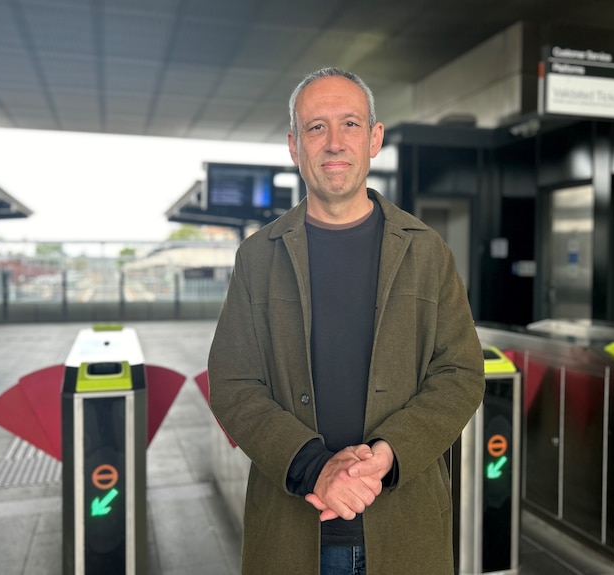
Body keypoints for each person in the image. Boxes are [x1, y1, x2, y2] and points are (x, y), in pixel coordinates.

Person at [207, 67, 485, 575]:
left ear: (375, 138)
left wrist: (388, 453)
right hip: (293, 534)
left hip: (406, 532)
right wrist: (315, 468)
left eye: (351, 124)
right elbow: (232, 383)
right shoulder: (258, 257)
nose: (334, 143)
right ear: (294, 146)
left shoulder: (426, 252)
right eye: (316, 127)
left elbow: (462, 373)